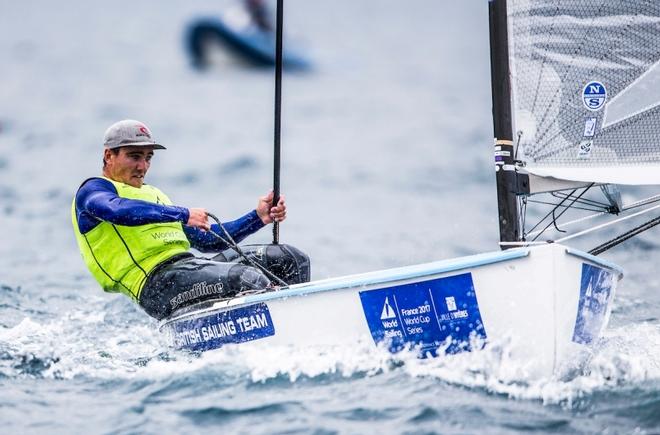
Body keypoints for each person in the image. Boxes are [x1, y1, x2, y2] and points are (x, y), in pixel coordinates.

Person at [71, 119, 310, 320]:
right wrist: (183, 214)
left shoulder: (154, 195)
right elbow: (117, 211)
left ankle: (303, 322)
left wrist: (258, 217)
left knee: (289, 259)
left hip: (189, 267)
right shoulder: (93, 191)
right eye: (134, 156)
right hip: (155, 286)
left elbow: (208, 242)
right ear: (108, 156)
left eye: (148, 158)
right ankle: (274, 330)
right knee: (246, 279)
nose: (143, 166)